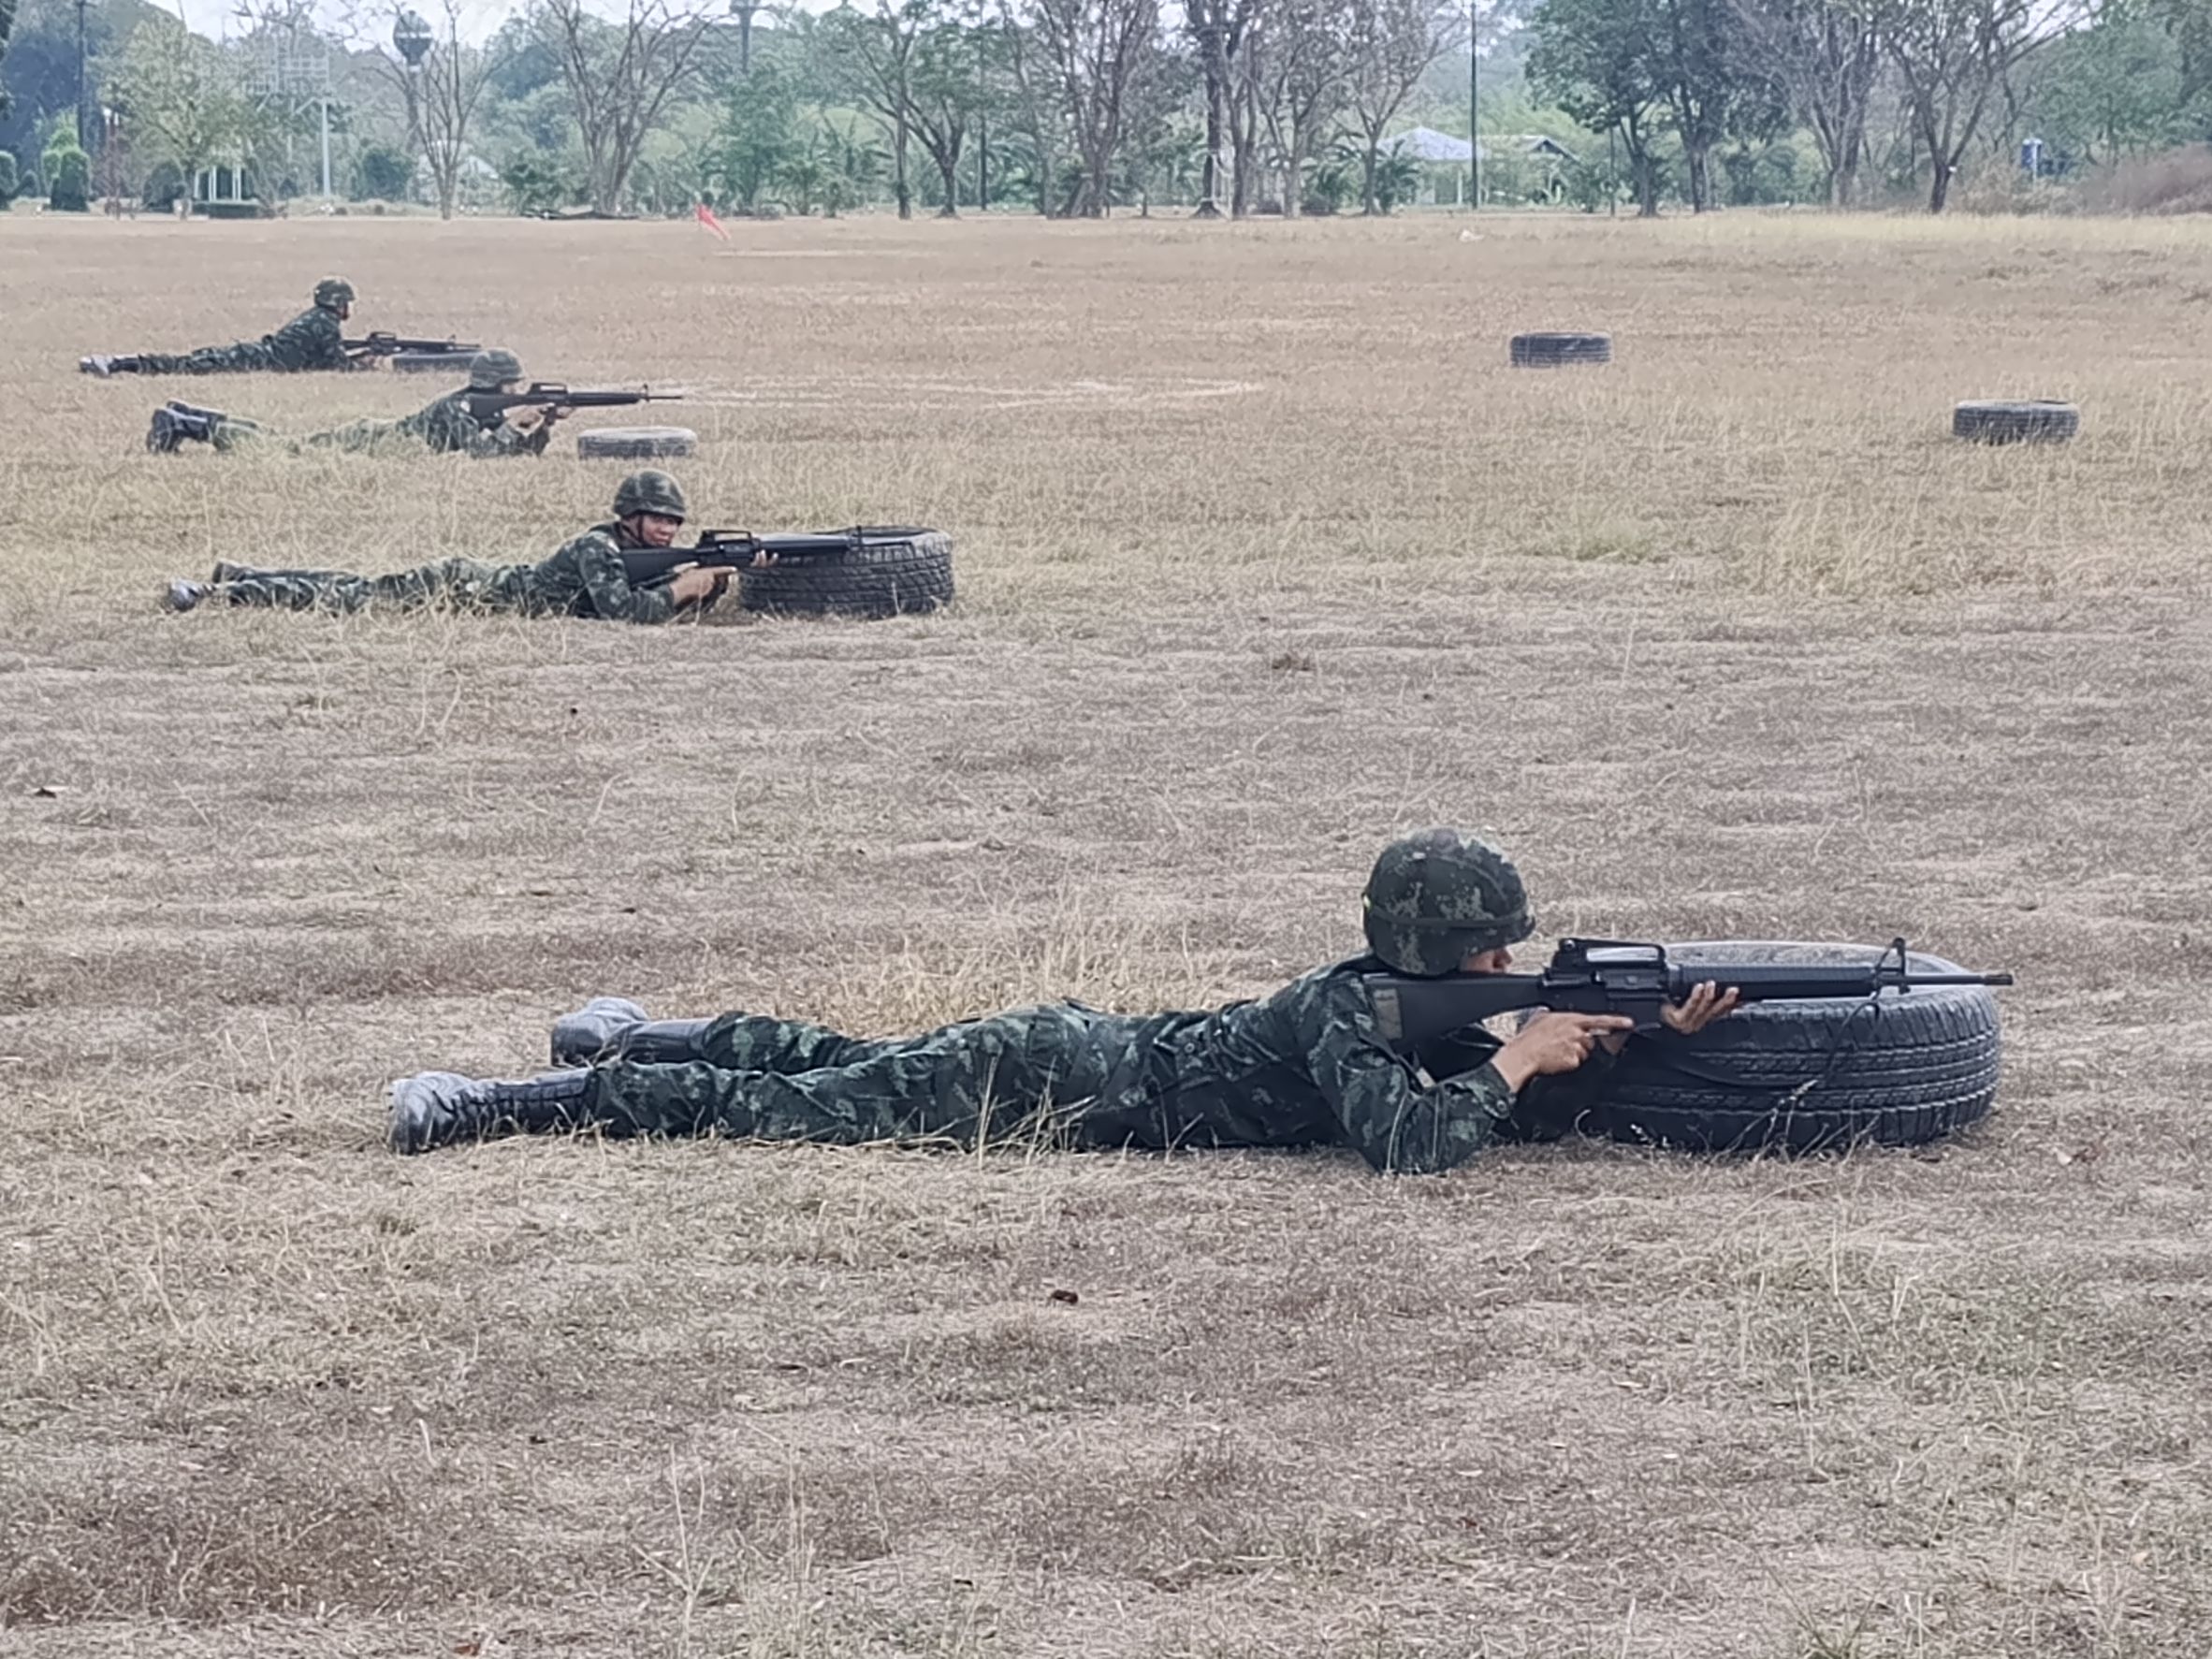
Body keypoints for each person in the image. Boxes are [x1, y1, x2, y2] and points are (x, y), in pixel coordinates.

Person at [386, 829, 1740, 1172]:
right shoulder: (1352, 1006)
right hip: (1053, 1079)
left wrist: (1629, 1051)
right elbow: (1413, 1146)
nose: (1509, 973)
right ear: (1432, 946)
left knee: (845, 1061)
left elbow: (1485, 1101)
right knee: (799, 1112)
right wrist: (1521, 1060)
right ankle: (518, 1100)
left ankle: (652, 1030)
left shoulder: (1433, 1011)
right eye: (1490, 953)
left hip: (1087, 1054)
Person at [160, 470, 732, 622]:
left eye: (673, 523)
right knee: (350, 597)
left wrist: (716, 580)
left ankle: (243, 573)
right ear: (629, 517)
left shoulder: (623, 551)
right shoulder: (597, 547)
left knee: (349, 585)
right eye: (656, 520)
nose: (666, 531)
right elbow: (624, 612)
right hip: (463, 589)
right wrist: (686, 587)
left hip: (473, 590)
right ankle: (218, 592)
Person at [145, 350, 560, 459]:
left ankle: (191, 416)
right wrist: (515, 424)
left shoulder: (477, 406)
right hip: (369, 441)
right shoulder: (460, 408)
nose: (514, 392)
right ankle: (188, 424)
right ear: (494, 384)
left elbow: (512, 457)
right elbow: (485, 455)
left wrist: (542, 426)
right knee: (281, 448)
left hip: (377, 439)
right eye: (511, 385)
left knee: (282, 441)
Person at [80, 278, 373, 377]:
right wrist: (365, 366)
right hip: (256, 358)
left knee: (191, 362)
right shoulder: (326, 324)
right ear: (337, 303)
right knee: (187, 365)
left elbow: (318, 362)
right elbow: (337, 364)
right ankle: (119, 364)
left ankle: (118, 363)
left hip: (257, 353)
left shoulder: (316, 318)